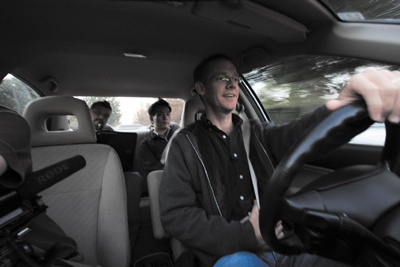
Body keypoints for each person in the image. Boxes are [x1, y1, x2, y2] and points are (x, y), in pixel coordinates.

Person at [158, 54, 400, 267]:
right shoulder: (185, 144)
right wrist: (246, 235)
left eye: (235, 78)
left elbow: (300, 133)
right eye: (221, 78)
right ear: (201, 88)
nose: (232, 83)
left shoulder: (259, 133)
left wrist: (343, 107)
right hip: (232, 254)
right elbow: (176, 216)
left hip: (283, 242)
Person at [0, 106, 84, 266]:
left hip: (39, 257)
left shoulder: (6, 121)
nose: (101, 117)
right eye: (98, 113)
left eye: (105, 115)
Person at [137, 98, 180, 180]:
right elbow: (156, 171)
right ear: (151, 119)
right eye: (160, 114)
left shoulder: (179, 135)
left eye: (168, 114)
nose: (165, 118)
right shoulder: (145, 145)